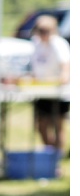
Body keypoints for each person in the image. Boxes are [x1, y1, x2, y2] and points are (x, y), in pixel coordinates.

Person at [28, 14, 70, 151]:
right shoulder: (37, 43)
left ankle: (56, 156)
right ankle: (50, 152)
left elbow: (65, 66)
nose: (42, 34)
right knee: (41, 125)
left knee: (57, 125)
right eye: (40, 30)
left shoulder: (58, 43)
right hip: (42, 91)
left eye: (46, 30)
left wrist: (63, 78)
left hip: (58, 92)